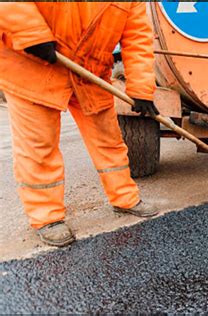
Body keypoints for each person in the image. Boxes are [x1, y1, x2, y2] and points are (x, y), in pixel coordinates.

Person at [0, 3, 161, 247]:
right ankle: (46, 217)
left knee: (109, 140)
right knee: (39, 147)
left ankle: (125, 198)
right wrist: (30, 33)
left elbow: (138, 37)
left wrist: (141, 89)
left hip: (90, 72)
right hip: (33, 64)